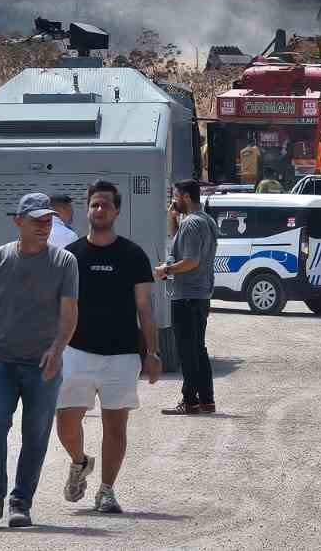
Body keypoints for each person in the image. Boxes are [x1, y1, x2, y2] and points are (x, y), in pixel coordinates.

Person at [0, 192, 80, 528]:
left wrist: (57, 350)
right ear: (18, 222)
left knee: (36, 434)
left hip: (43, 363)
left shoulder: (64, 262)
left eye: (49, 220)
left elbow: (70, 312)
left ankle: (20, 502)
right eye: (37, 220)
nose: (44, 226)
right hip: (1, 359)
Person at [55, 180, 161, 514]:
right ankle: (79, 461)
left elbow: (145, 308)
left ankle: (106, 490)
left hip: (122, 355)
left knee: (115, 427)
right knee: (65, 423)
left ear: (116, 211)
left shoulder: (133, 255)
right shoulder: (70, 256)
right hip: (76, 352)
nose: (99, 210)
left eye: (105, 205)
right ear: (87, 210)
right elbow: (57, 307)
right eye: (94, 205)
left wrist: (152, 353)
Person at [155, 179, 219, 415]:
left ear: (186, 197)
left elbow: (192, 260)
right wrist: (173, 220)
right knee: (197, 349)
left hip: (188, 296)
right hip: (199, 294)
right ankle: (206, 400)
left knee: (187, 351)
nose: (173, 200)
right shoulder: (205, 220)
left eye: (175, 195)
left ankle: (190, 401)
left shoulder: (192, 224)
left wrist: (167, 270)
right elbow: (183, 251)